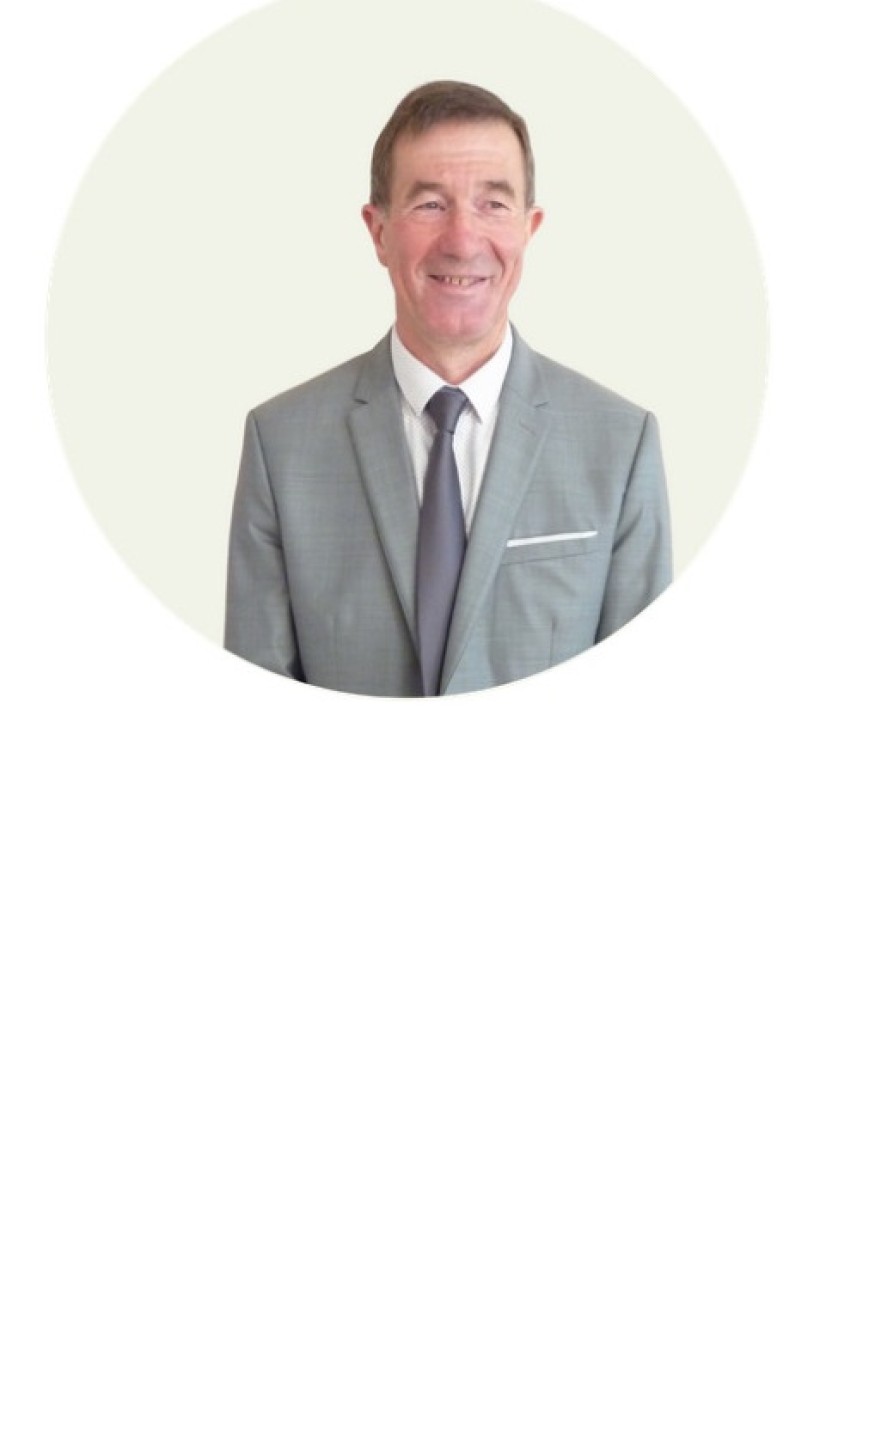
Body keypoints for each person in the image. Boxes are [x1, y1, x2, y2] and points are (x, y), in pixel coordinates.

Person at [225, 80, 672, 696]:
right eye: (430, 204)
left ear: (530, 227)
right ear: (378, 231)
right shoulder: (281, 446)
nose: (463, 240)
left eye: (494, 204)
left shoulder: (620, 445)